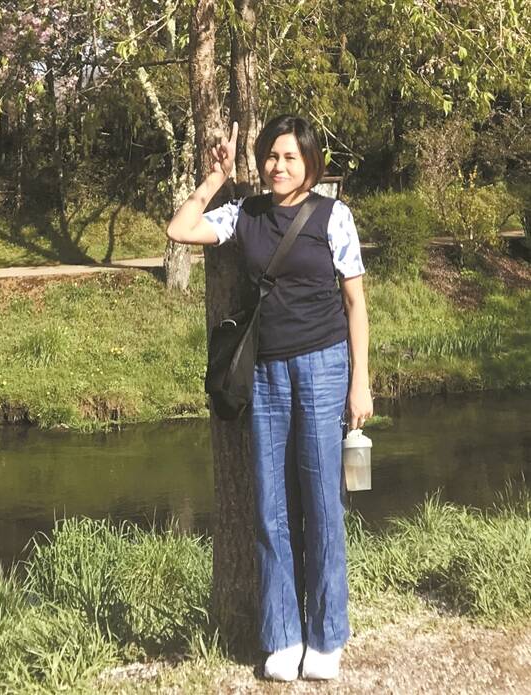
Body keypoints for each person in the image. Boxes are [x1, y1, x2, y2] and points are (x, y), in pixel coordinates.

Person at [167, 114, 373, 681]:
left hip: (325, 367)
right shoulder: (247, 215)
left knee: (322, 503)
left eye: (290, 157)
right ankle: (282, 635)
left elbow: (355, 302)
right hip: (265, 373)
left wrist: (360, 380)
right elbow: (180, 229)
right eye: (270, 157)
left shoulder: (333, 216)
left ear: (310, 163)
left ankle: (326, 636)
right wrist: (215, 178)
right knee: (271, 506)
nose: (278, 166)